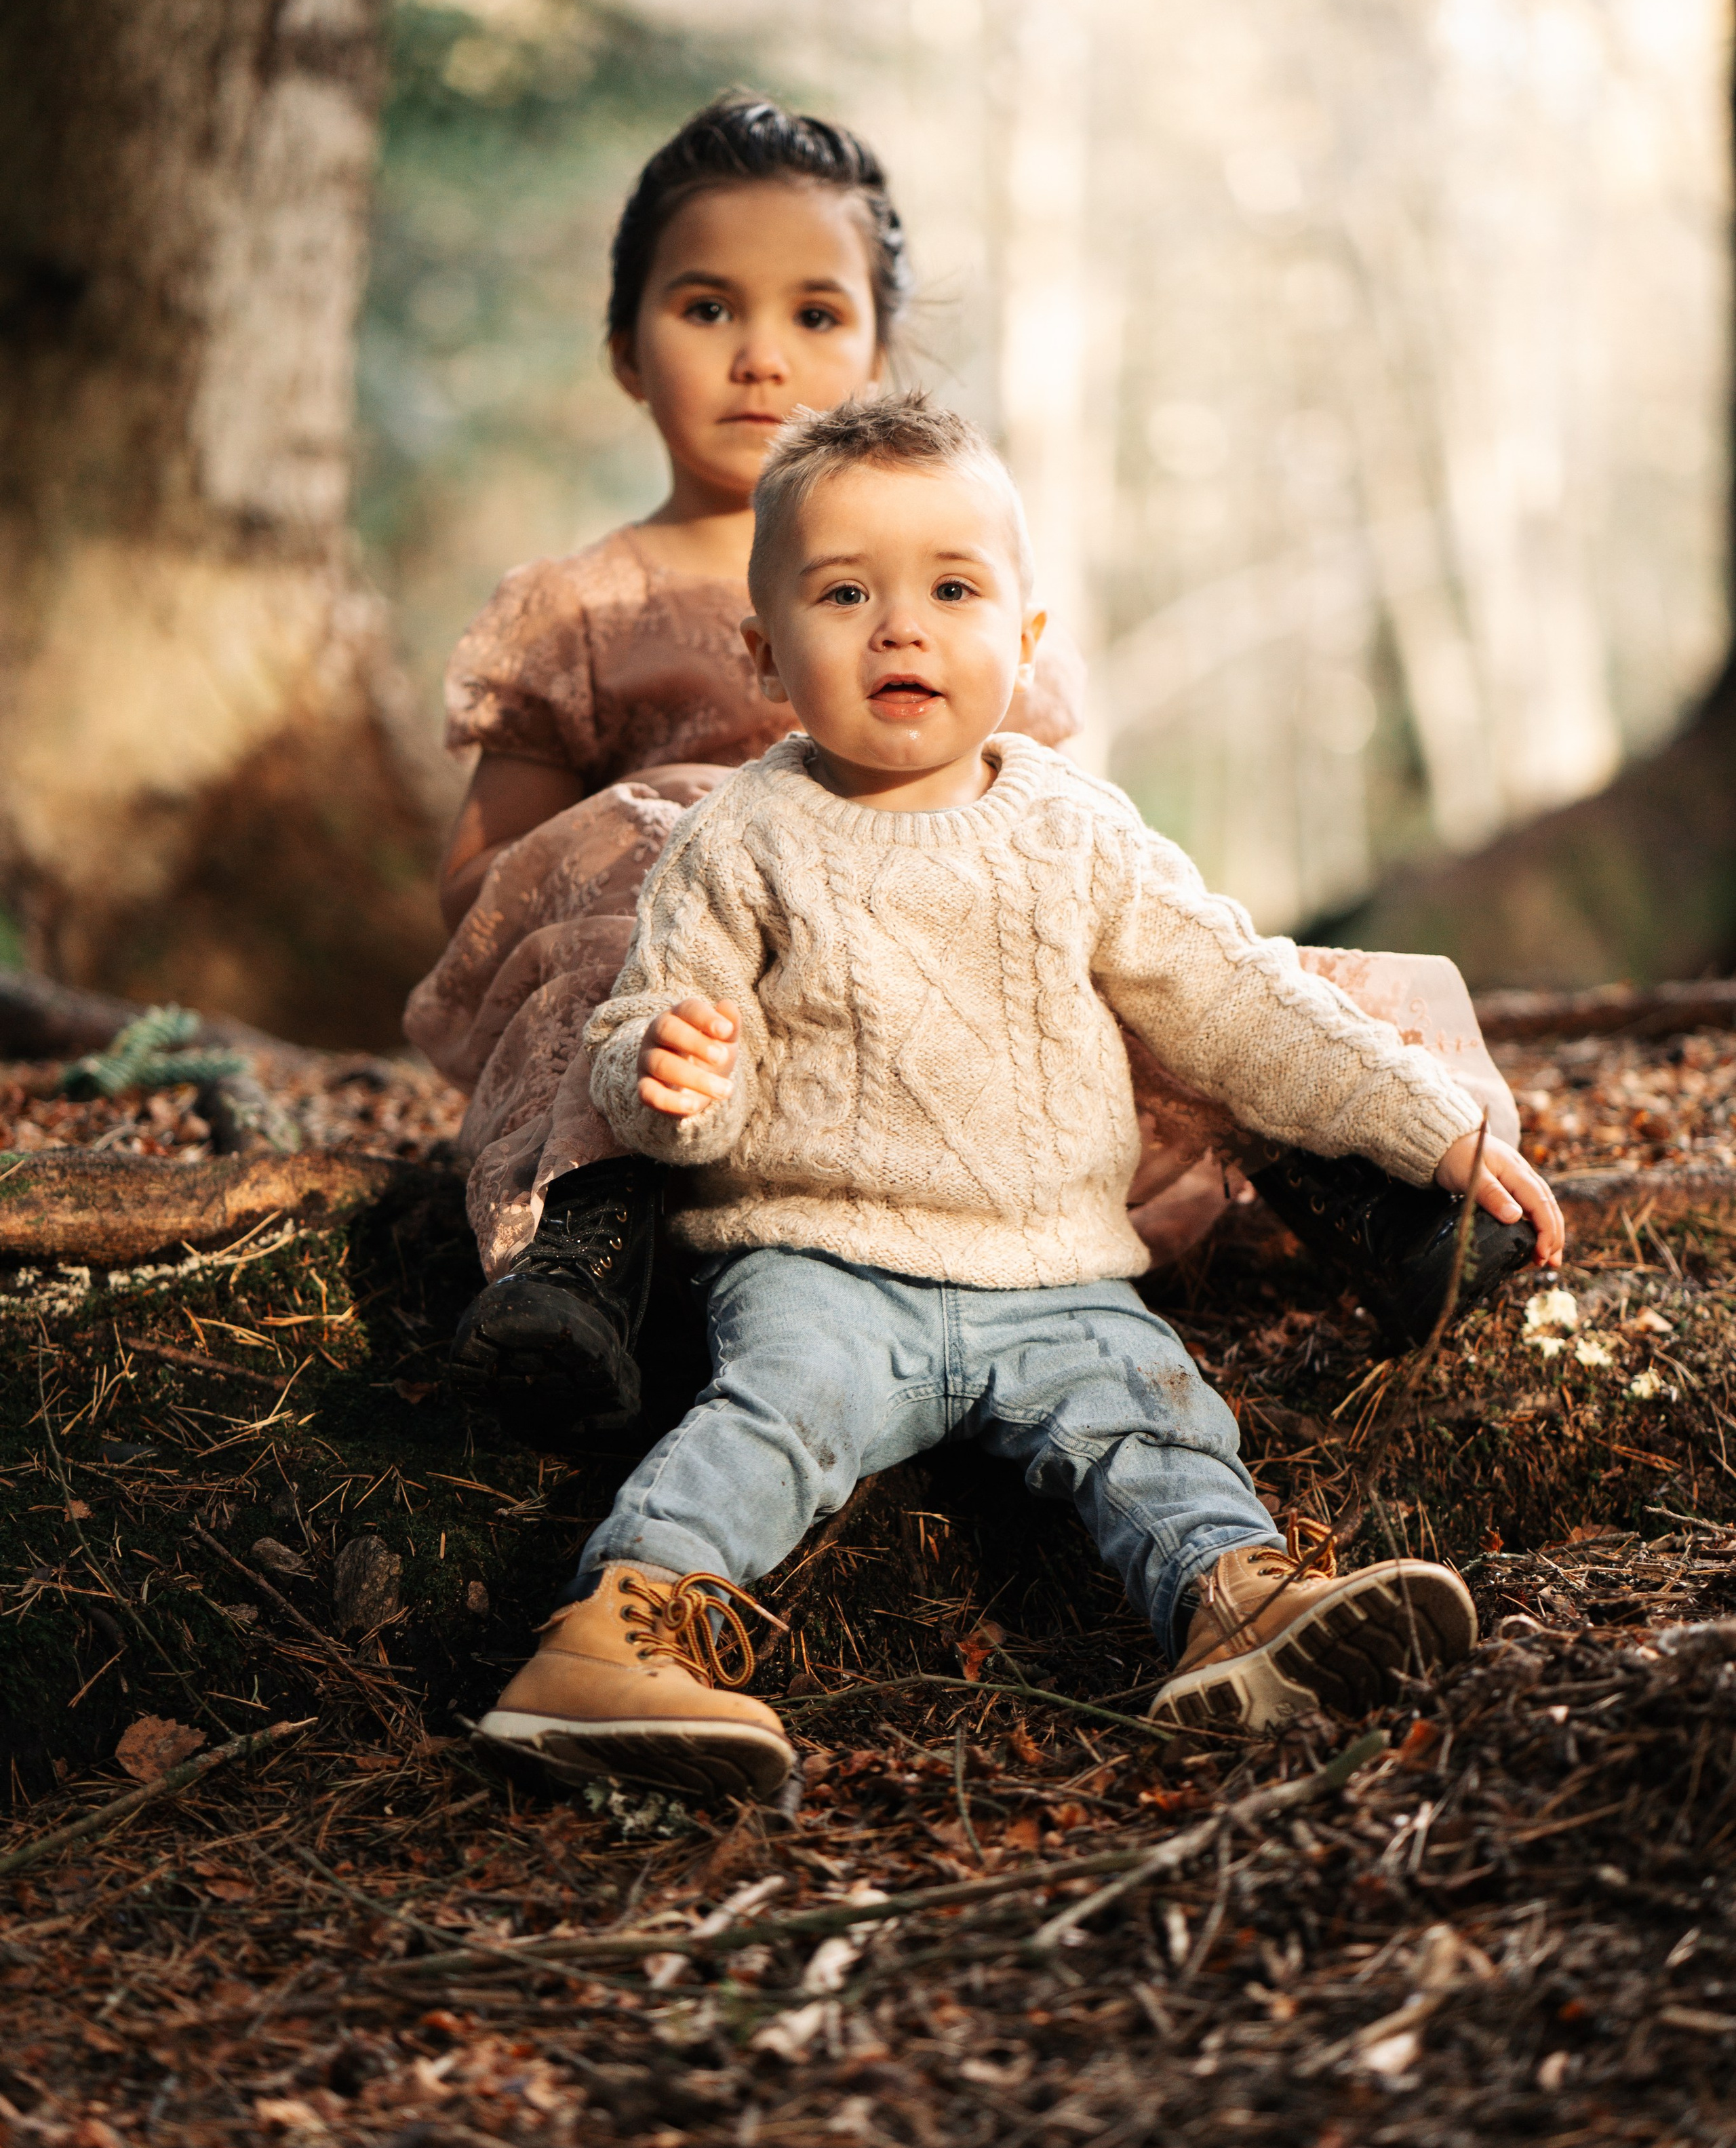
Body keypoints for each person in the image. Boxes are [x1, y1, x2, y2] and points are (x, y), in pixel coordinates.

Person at [475, 395, 1563, 1802]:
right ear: (763, 651)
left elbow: (1233, 1001)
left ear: (1026, 640)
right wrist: (670, 1075)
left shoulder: (1073, 826)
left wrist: (1427, 1121)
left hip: (1053, 1274)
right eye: (843, 592)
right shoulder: (736, 838)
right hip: (818, 1259)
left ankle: (1234, 1607)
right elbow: (650, 1038)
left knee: (1154, 1412)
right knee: (775, 1412)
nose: (899, 628)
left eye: (950, 588)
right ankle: (612, 1634)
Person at [407, 93, 1522, 1437]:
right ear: (625, 350)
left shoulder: (947, 594)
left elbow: (1045, 839)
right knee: (675, 863)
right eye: (707, 311)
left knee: (1160, 964)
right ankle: (581, 1263)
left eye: (813, 316)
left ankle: (1358, 1188)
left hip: (934, 1038)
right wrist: (675, 851)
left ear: (876, 352)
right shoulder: (580, 609)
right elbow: (481, 896)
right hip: (698, 1030)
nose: (761, 358)